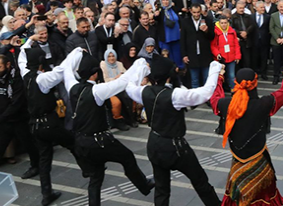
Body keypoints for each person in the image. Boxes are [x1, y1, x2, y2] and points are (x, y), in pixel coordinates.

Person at [125, 57, 223, 206]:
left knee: (162, 189)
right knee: (200, 182)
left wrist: (139, 69)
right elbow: (205, 93)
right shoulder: (175, 95)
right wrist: (214, 69)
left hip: (154, 143)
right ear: (169, 76)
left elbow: (129, 86)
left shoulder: (144, 91)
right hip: (175, 147)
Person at [63, 50, 155, 206]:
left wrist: (76, 53)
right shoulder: (97, 91)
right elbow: (123, 81)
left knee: (96, 177)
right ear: (94, 74)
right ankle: (143, 185)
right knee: (127, 157)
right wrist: (139, 64)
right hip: (99, 141)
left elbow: (66, 69)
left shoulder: (72, 86)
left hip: (82, 142)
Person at [210, 62, 283, 206]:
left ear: (236, 83)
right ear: (255, 83)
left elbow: (214, 98)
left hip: (238, 160)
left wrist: (219, 76)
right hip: (259, 158)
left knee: (238, 194)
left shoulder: (226, 104)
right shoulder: (264, 103)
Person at [21, 46, 83, 205]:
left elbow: (22, 57)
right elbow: (62, 70)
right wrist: (77, 52)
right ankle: (89, 170)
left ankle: (46, 193)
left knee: (44, 159)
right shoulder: (42, 79)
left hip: (35, 126)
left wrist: (28, 41)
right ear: (41, 62)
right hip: (49, 124)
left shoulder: (25, 74)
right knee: (73, 143)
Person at [0, 55, 40, 178]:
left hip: (19, 119)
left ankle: (36, 166)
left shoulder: (16, 79)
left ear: (8, 65)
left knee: (29, 145)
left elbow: (16, 104)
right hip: (4, 120)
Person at [181, 4, 215, 88]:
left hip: (205, 55)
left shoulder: (207, 20)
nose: (196, 14)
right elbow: (182, 39)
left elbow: (212, 36)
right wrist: (184, 55)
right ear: (190, 11)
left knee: (206, 79)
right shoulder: (185, 22)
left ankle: (207, 99)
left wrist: (206, 31)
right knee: (194, 80)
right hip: (192, 55)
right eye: (194, 12)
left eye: (198, 12)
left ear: (201, 11)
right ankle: (196, 100)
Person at [211, 15, 241, 90]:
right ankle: (219, 90)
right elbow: (213, 45)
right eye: (222, 23)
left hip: (231, 57)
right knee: (220, 76)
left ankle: (233, 90)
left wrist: (237, 56)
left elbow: (236, 45)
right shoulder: (215, 32)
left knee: (231, 75)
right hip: (221, 58)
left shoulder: (232, 31)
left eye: (225, 23)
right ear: (219, 23)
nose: (224, 25)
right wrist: (217, 54)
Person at [156, 0, 183, 67]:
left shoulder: (173, 8)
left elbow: (179, 19)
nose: (165, 2)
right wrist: (156, 15)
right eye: (163, 0)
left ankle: (180, 70)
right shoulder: (160, 10)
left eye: (167, 0)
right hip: (166, 38)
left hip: (176, 37)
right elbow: (157, 20)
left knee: (178, 56)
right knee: (168, 58)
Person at [231, 0, 255, 69]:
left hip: (247, 41)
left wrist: (246, 32)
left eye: (243, 8)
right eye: (240, 8)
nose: (242, 10)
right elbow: (232, 28)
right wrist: (240, 33)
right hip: (237, 41)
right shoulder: (233, 17)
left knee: (247, 61)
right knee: (238, 62)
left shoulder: (248, 16)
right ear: (236, 8)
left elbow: (252, 25)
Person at [252, 1, 271, 80]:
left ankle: (264, 73)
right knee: (254, 58)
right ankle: (255, 73)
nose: (263, 9)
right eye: (261, 7)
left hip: (264, 41)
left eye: (264, 7)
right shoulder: (251, 17)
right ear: (256, 8)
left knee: (264, 57)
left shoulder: (267, 17)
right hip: (254, 41)